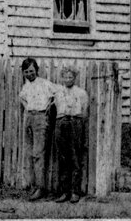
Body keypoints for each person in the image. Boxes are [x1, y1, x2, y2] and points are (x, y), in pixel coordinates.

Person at [18, 57, 55, 201]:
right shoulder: (26, 85)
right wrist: (26, 108)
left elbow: (57, 95)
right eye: (26, 72)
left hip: (40, 118)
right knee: (30, 153)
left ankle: (41, 188)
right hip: (29, 117)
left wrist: (49, 106)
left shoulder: (45, 84)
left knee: (38, 154)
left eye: (32, 71)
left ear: (37, 71)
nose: (29, 74)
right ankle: (34, 185)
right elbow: (21, 97)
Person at [52, 66, 89, 203]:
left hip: (75, 122)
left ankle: (75, 192)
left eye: (71, 77)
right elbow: (55, 108)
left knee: (75, 157)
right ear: (62, 78)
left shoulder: (81, 93)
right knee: (62, 157)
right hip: (61, 122)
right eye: (65, 77)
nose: (68, 79)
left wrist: (76, 123)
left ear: (75, 78)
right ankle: (64, 192)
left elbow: (84, 111)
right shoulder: (58, 92)